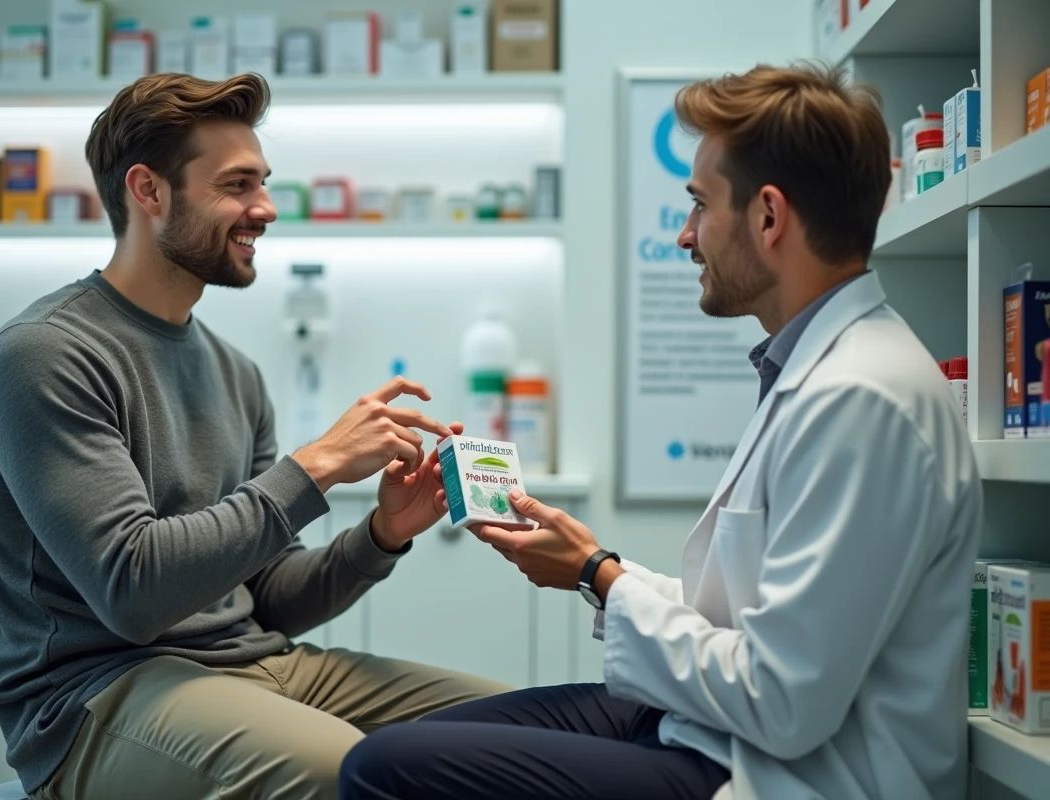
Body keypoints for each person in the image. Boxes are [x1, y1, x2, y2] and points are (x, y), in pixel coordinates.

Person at [339, 62, 983, 800]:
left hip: (784, 772)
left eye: (699, 205)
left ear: (769, 217)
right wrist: (596, 566)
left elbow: (784, 703)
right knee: (406, 743)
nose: (685, 236)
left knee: (381, 772)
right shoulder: (819, 368)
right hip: (715, 727)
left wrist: (598, 575)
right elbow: (747, 622)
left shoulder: (862, 399)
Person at [0, 72, 509, 800]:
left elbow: (265, 598)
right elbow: (133, 592)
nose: (266, 208)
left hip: (259, 668)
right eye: (237, 185)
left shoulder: (235, 373)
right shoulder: (45, 354)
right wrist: (314, 468)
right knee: (341, 771)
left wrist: (381, 536)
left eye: (263, 183)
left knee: (522, 735)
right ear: (149, 191)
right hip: (97, 696)